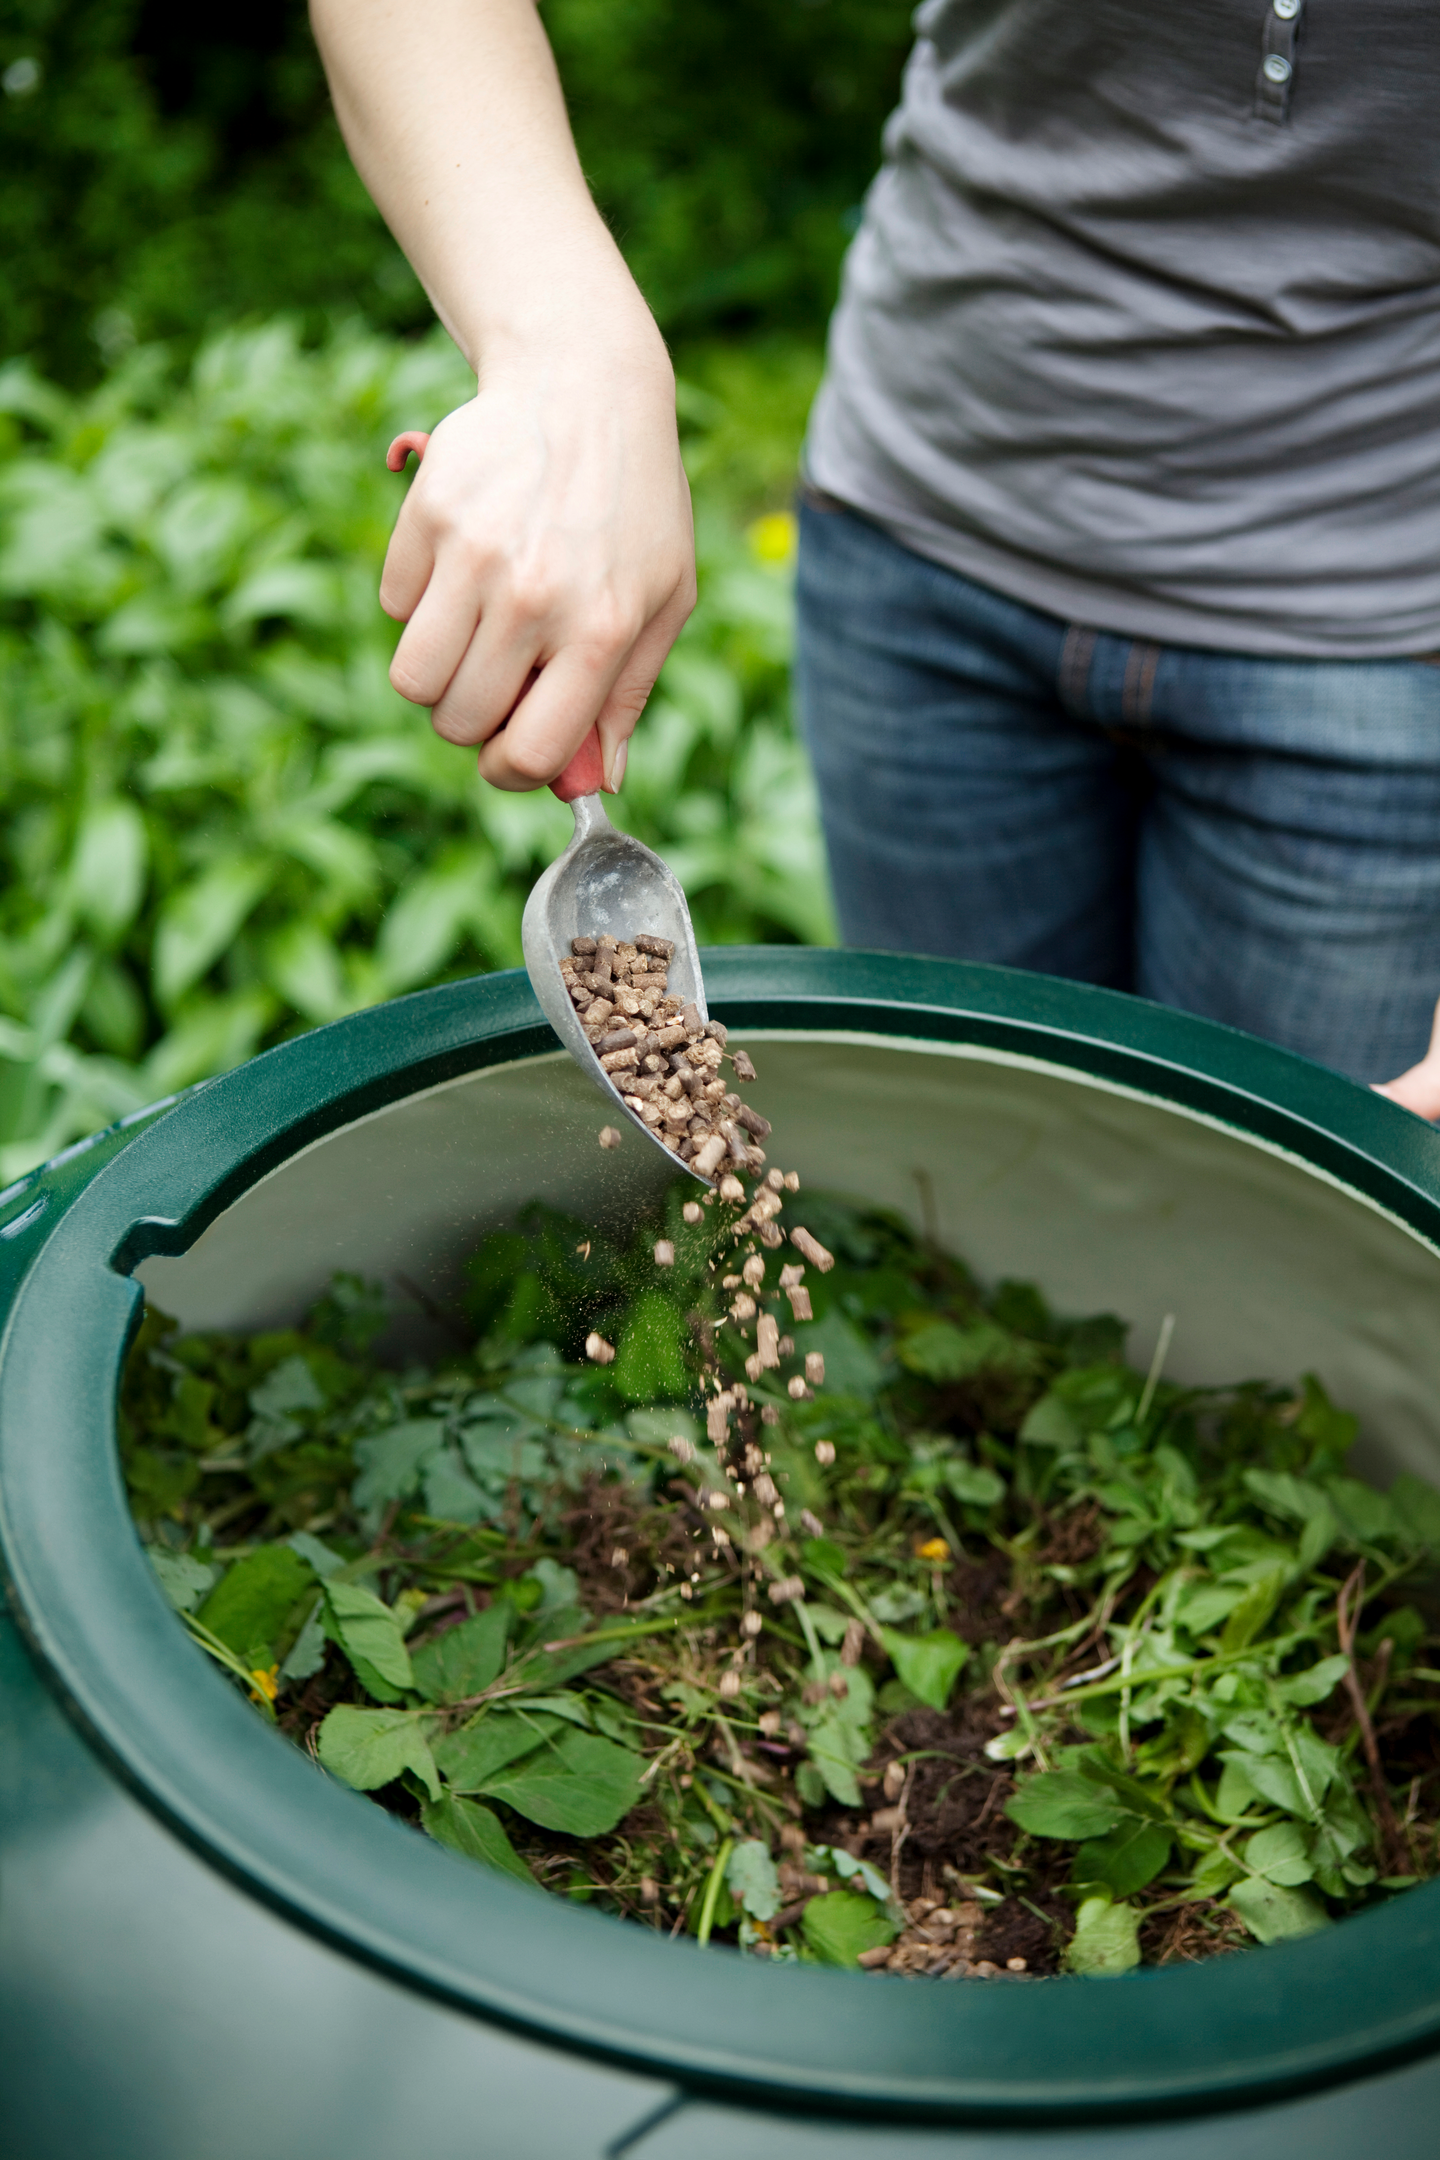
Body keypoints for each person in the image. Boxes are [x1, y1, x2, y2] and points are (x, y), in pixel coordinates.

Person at [310, 1, 1440, 1117]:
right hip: (923, 564)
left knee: (1290, 1253)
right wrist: (564, 349)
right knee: (962, 1178)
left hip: (1388, 635)